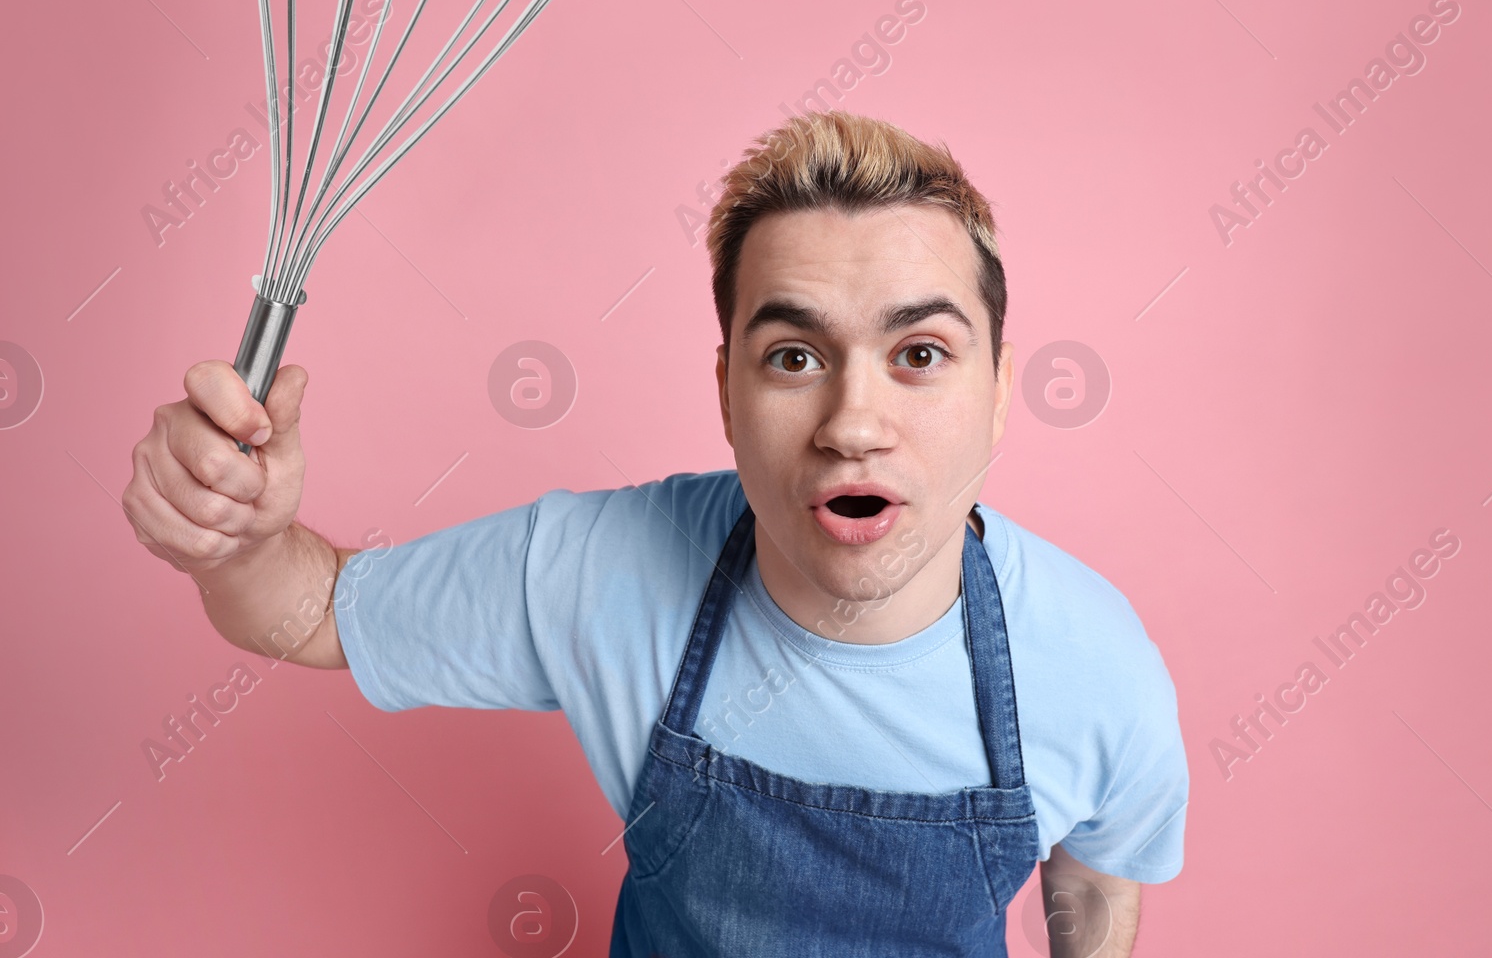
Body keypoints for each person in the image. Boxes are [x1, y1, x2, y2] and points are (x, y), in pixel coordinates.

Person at [123, 111, 1188, 956]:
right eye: (793, 357)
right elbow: (309, 612)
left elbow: (1094, 875)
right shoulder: (604, 570)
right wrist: (238, 541)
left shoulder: (1096, 667)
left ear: (999, 394)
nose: (854, 425)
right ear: (725, 394)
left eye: (918, 355)